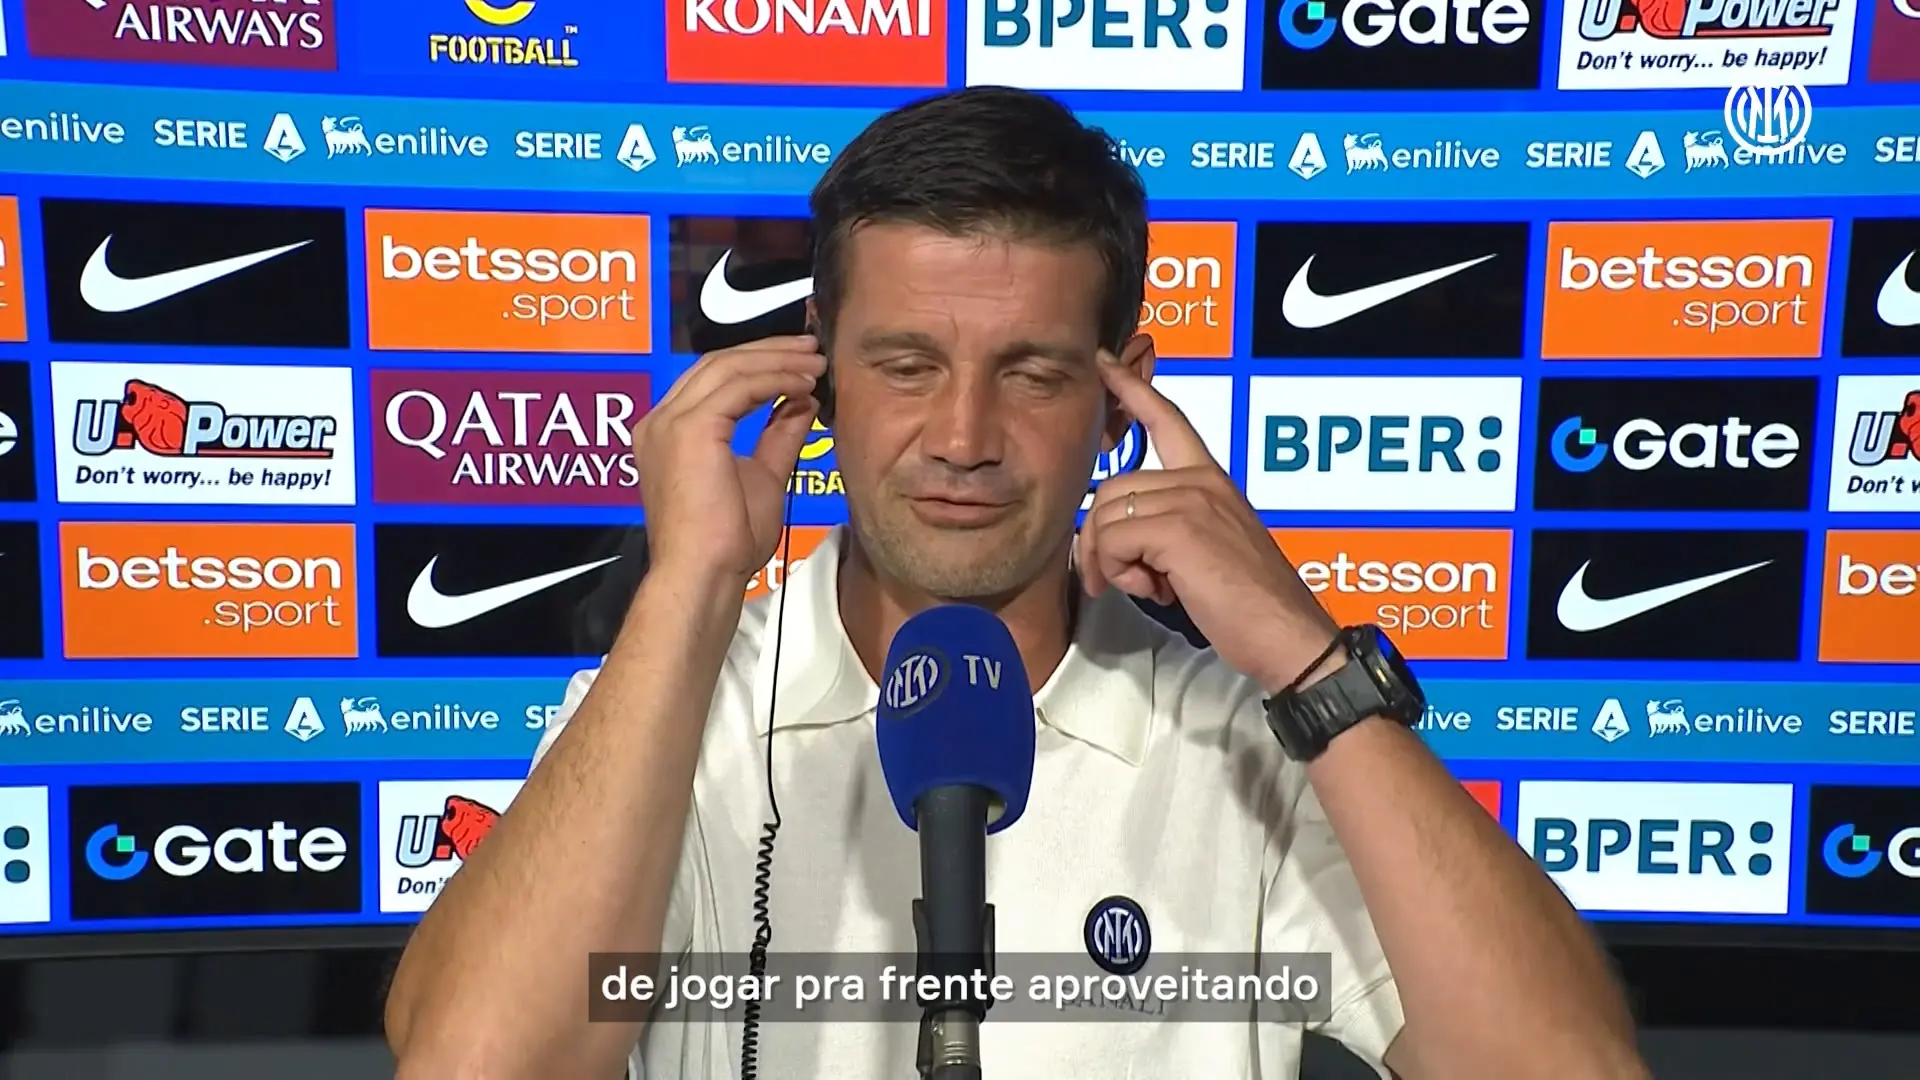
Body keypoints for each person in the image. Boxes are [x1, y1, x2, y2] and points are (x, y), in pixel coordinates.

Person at [384, 86, 1651, 1080]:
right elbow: (474, 1066)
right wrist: (688, 589)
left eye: (1033, 373)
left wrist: (1309, 662)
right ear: (819, 374)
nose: (963, 438)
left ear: (1122, 395)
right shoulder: (669, 706)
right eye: (906, 365)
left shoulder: (1247, 741)